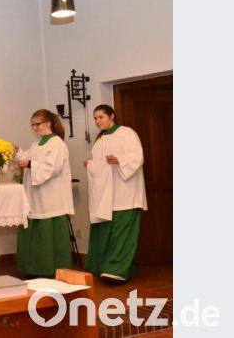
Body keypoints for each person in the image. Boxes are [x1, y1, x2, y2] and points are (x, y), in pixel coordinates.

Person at [84, 104, 147, 283]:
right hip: (106, 195)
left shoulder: (127, 133)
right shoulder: (100, 141)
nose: (97, 121)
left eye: (101, 117)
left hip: (126, 193)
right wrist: (91, 164)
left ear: (111, 116)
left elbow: (137, 157)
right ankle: (102, 266)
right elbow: (100, 166)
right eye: (95, 118)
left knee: (123, 233)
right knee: (106, 232)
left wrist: (119, 160)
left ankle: (117, 270)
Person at [14, 109, 75, 278]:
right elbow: (27, 158)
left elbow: (52, 167)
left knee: (49, 235)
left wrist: (30, 164)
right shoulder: (37, 144)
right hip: (36, 196)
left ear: (48, 123)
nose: (35, 128)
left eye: (38, 124)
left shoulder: (57, 143)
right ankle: (33, 269)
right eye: (33, 125)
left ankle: (52, 270)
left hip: (51, 198)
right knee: (35, 234)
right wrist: (18, 152)